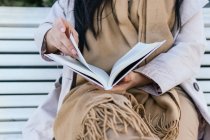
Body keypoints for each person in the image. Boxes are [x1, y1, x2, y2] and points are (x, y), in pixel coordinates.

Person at [23, 0, 210, 139]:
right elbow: (48, 30)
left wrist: (141, 77)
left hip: (165, 93)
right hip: (94, 94)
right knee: (113, 129)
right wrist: (53, 37)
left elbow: (190, 48)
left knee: (178, 131)